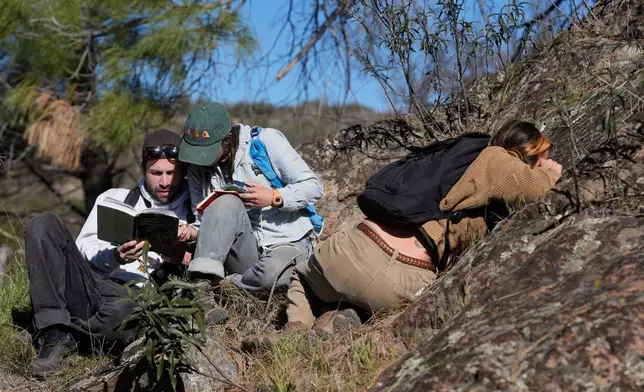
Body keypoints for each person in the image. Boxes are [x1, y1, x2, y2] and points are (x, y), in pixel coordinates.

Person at [244, 120, 563, 348]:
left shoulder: (458, 159)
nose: (550, 161)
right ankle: (336, 322)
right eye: (546, 155)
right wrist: (552, 174)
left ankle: (299, 328)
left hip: (348, 251)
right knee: (375, 296)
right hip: (402, 280)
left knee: (304, 275)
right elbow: (540, 192)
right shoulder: (496, 158)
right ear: (528, 153)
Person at [24, 129, 194, 377]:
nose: (165, 181)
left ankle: (60, 326)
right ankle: (54, 334)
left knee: (126, 315)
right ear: (143, 169)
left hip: (135, 297)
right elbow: (84, 249)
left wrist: (181, 256)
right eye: (156, 173)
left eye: (172, 173)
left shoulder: (192, 213)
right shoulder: (112, 198)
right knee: (42, 223)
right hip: (93, 284)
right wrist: (115, 256)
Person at [177, 102, 324, 292]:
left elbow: (314, 187)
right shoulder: (197, 168)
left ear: (228, 138)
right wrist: (190, 232)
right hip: (245, 252)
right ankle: (201, 287)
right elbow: (203, 221)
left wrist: (274, 197)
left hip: (286, 242)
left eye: (207, 151)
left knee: (273, 277)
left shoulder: (265, 141)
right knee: (226, 201)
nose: (199, 158)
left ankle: (226, 285)